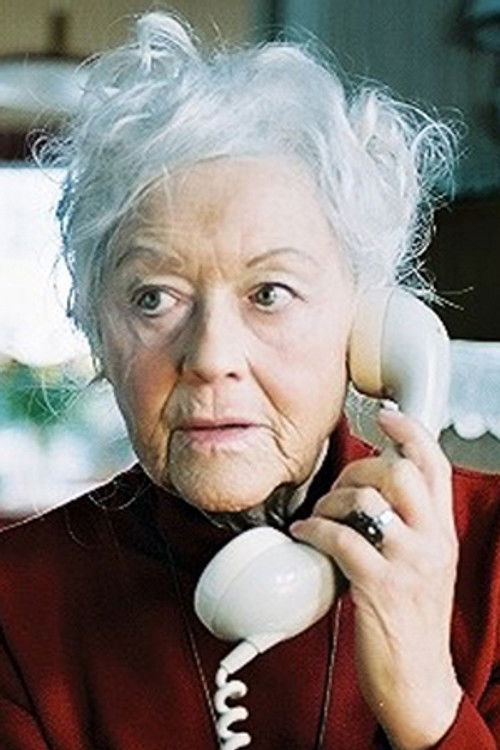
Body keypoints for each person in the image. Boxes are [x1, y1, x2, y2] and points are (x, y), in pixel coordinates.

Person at [0, 11, 498, 749]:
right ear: (98, 333)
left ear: (366, 328)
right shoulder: (14, 605)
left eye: (269, 293)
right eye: (153, 298)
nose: (210, 356)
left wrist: (425, 700)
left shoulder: (492, 556)